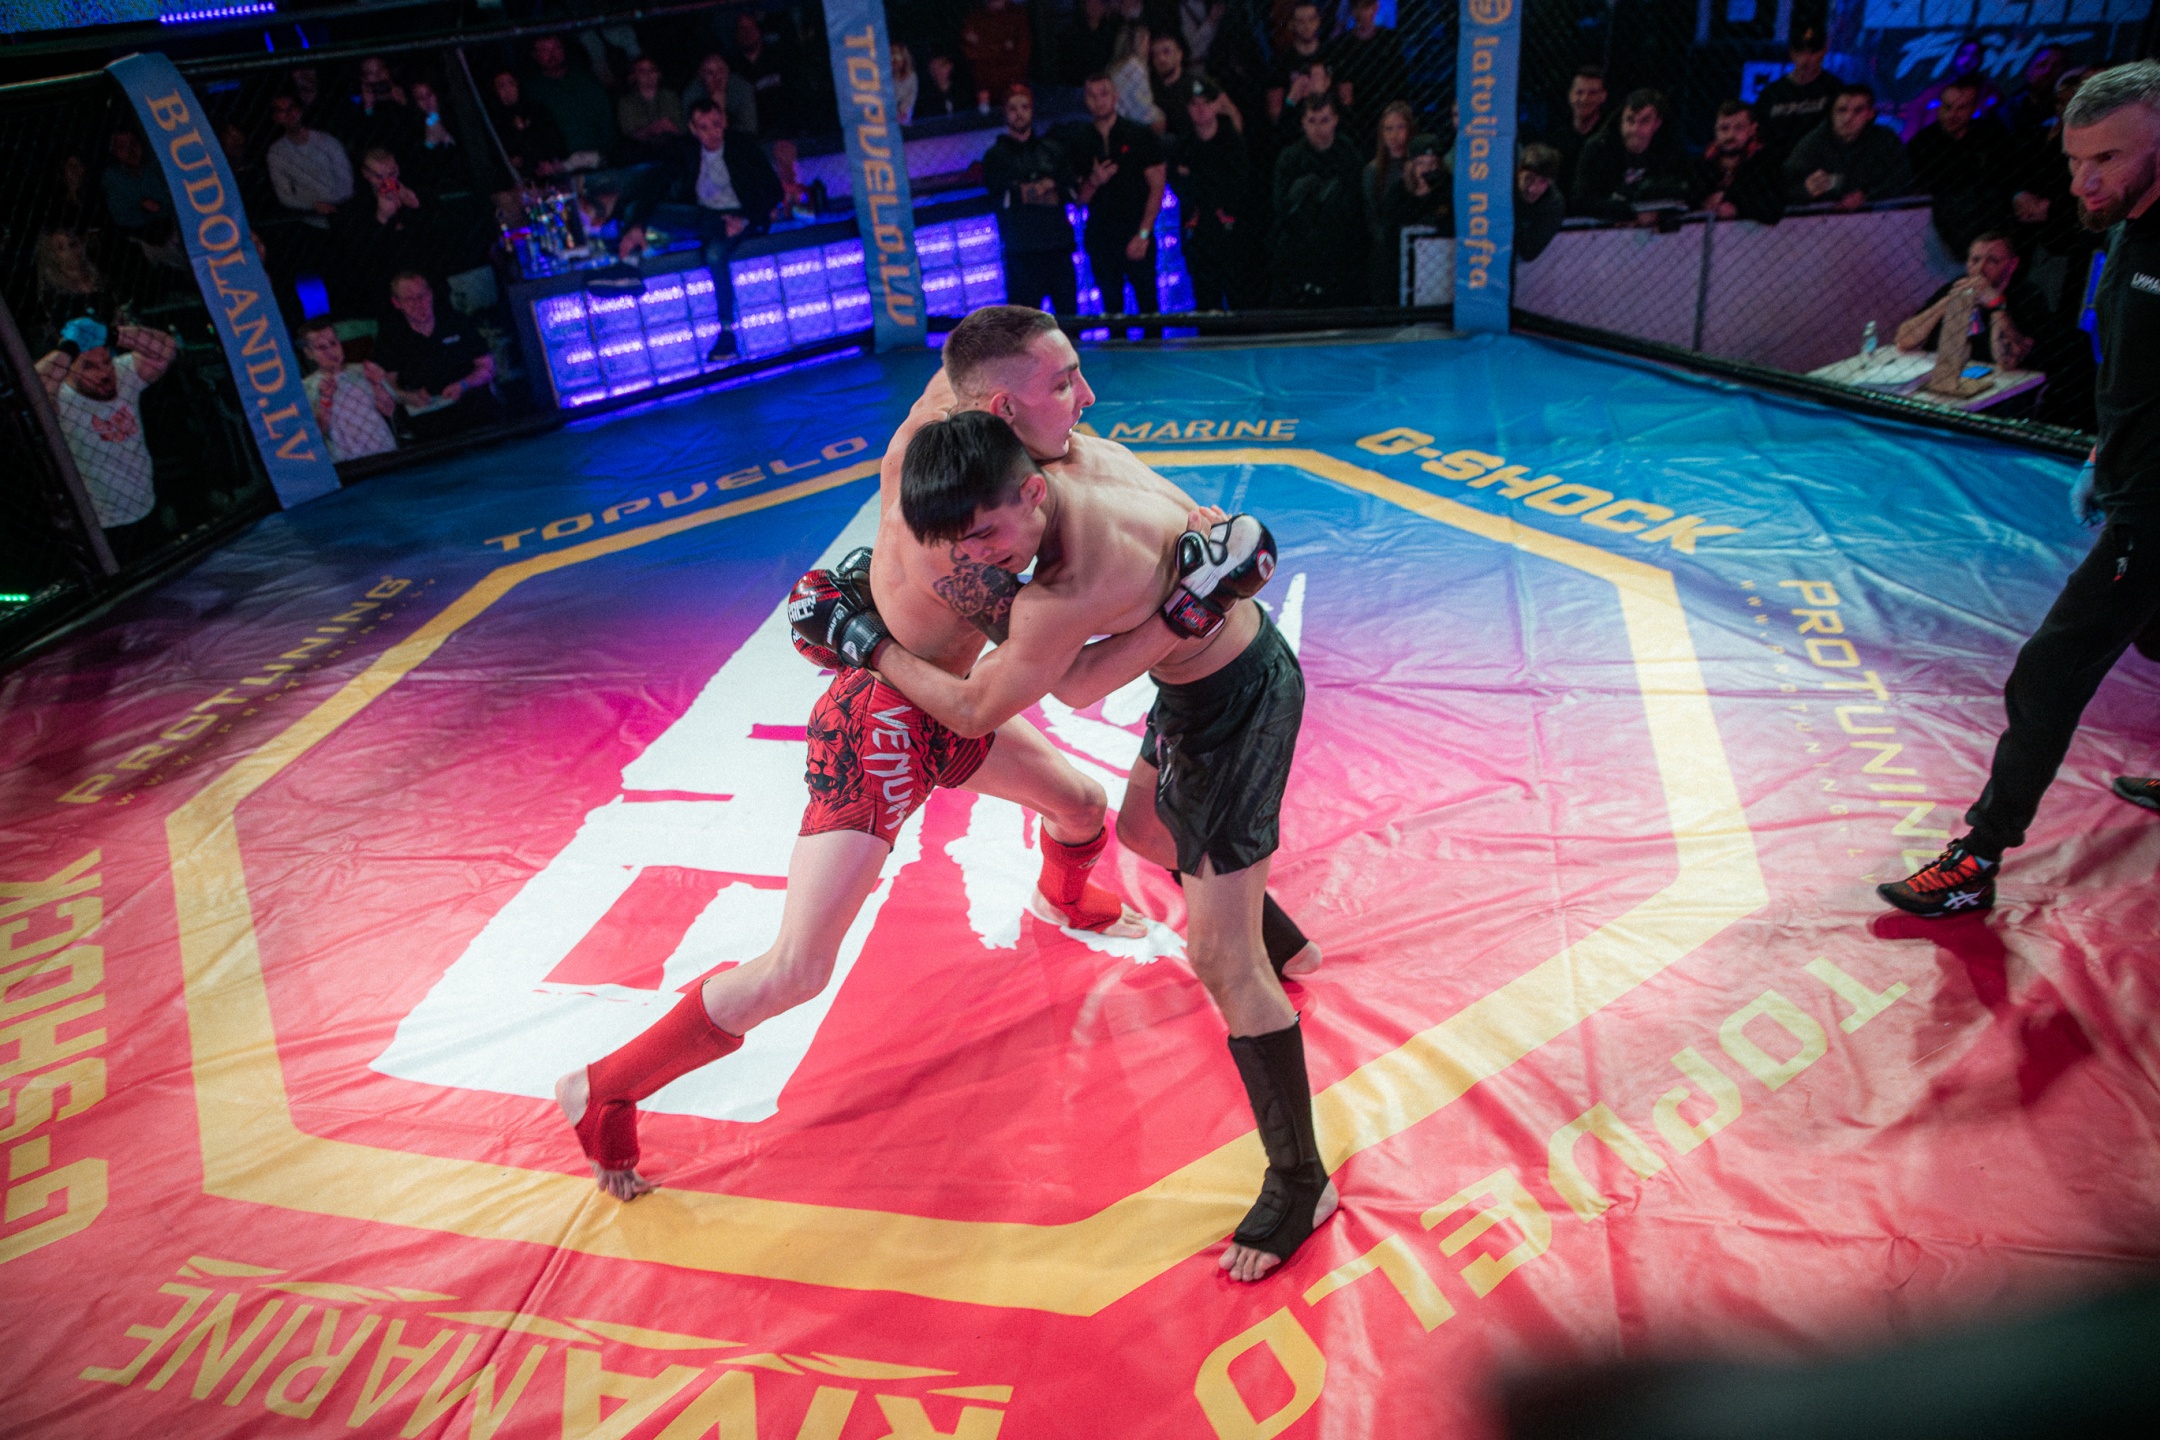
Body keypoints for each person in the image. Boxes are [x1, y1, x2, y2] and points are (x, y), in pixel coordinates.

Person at [555, 306, 1214, 1204]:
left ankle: (1060, 899)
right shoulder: (960, 537)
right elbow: (1035, 680)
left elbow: (1073, 445)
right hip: (884, 722)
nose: (1084, 398)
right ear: (1001, 408)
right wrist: (1184, 602)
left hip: (945, 694)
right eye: (1063, 384)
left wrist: (1181, 513)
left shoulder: (960, 409)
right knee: (798, 968)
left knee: (1081, 806)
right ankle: (605, 1087)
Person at [862, 407, 1333, 1285]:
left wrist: (868, 644)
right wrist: (1199, 588)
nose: (978, 558)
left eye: (987, 537)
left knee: (1219, 959)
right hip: (1202, 687)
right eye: (961, 542)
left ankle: (1303, 1182)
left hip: (1238, 708)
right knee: (1146, 831)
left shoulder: (1067, 584)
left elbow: (995, 704)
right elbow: (1184, 522)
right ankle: (1282, 939)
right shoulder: (1077, 458)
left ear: (1030, 494)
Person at [1879, 62, 2160, 918]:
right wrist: (2103, 455)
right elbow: (2137, 374)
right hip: (2132, 480)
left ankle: (1978, 856)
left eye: (2107, 158)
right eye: (2075, 160)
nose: (2083, 182)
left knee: (2050, 670)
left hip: (2154, 510)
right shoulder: (2128, 231)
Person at [631, 98, 782, 362]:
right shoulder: (687, 149)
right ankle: (628, 263)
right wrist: (637, 224)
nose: (712, 132)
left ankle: (727, 331)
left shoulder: (742, 145)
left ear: (724, 121)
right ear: (693, 129)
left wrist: (745, 219)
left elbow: (773, 191)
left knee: (714, 254)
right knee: (643, 209)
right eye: (704, 127)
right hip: (704, 216)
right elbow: (657, 183)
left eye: (716, 124)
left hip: (739, 215)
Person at [35, 319, 177, 564]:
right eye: (89, 366)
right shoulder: (61, 400)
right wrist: (67, 349)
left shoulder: (122, 374)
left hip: (146, 504)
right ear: (69, 369)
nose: (104, 373)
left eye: (106, 361)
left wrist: (114, 335)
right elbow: (30, 388)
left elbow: (165, 348)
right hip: (103, 525)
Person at [1058, 72, 1168, 324]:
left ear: (1115, 96)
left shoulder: (1140, 135)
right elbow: (1078, 199)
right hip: (1101, 238)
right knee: (1112, 312)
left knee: (1149, 310)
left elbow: (1157, 186)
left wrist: (1143, 234)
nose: (1099, 101)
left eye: (1104, 94)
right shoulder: (1079, 142)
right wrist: (1094, 181)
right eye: (1092, 96)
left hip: (1136, 230)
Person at [982, 86, 1078, 314]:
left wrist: (1026, 193)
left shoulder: (1053, 150)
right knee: (1024, 328)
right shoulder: (995, 157)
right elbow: (1005, 198)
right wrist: (1046, 187)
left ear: (1032, 110)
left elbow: (1070, 193)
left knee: (1070, 324)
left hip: (1058, 249)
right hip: (1021, 254)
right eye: (1013, 108)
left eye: (1024, 107)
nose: (1019, 113)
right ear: (1005, 113)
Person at [373, 272, 501, 442]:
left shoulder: (457, 322)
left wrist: (463, 384)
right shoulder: (391, 338)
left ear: (430, 294)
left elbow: (488, 367)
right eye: (410, 299)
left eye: (422, 295)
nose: (419, 304)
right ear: (397, 303)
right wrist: (408, 396)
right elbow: (387, 383)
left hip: (471, 405)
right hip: (427, 417)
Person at [1893, 231, 2045, 370]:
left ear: (2012, 264)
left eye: (1993, 261)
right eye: (1975, 260)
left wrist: (1996, 305)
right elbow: (1903, 340)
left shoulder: (2027, 296)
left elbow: (2007, 361)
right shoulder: (1956, 286)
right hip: (1946, 373)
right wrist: (1945, 303)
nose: (1980, 268)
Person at [1271, 93, 1367, 305]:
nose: (1318, 128)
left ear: (1335, 120)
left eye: (1324, 120)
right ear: (1302, 123)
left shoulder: (1349, 155)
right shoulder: (1290, 158)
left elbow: (1356, 209)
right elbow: (1281, 210)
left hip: (1339, 249)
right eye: (1312, 121)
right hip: (1299, 248)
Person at [1173, 77, 1257, 310]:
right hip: (1198, 234)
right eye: (1194, 103)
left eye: (1206, 102)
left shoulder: (1233, 142)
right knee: (1205, 299)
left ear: (1216, 105)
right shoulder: (1183, 144)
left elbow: (1237, 188)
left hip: (1231, 232)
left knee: (1239, 295)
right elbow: (1182, 188)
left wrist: (1196, 176)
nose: (1200, 109)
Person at [1909, 75, 2014, 259]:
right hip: (1944, 222)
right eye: (1948, 107)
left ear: (1974, 108)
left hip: (1992, 217)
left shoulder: (1991, 134)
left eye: (1962, 108)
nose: (1952, 115)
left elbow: (2008, 172)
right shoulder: (1922, 143)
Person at [1571, 89, 1694, 223]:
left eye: (1644, 121)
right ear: (1621, 120)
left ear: (1657, 123)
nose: (1635, 129)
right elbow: (1582, 201)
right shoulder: (1598, 148)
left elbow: (1688, 188)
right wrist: (1632, 214)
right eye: (1630, 120)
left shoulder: (1669, 147)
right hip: (1604, 228)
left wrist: (1659, 214)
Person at [1783, 84, 1912, 210]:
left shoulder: (1885, 140)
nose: (1847, 118)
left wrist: (1866, 195)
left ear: (1871, 114)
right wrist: (1805, 190)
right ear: (1831, 112)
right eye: (1842, 110)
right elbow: (1783, 186)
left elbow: (1902, 177)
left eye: (1858, 111)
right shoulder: (1812, 144)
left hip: (1877, 214)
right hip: (1820, 216)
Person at [297, 317, 398, 462]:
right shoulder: (306, 388)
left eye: (333, 343)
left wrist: (377, 385)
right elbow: (313, 436)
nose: (331, 351)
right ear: (309, 353)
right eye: (322, 347)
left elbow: (389, 410)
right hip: (349, 465)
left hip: (385, 454)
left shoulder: (364, 371)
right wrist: (325, 399)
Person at [266, 88, 354, 229]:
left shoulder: (326, 140)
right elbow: (285, 195)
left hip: (343, 212)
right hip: (309, 220)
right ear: (275, 117)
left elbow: (346, 181)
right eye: (282, 111)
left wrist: (332, 204)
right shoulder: (276, 153)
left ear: (300, 109)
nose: (289, 114)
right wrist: (313, 205)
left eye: (291, 107)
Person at [1377, 131, 1449, 301]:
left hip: (1438, 267)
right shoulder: (1398, 193)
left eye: (1432, 163)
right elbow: (1390, 230)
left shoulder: (1447, 190)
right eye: (1421, 163)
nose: (1427, 169)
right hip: (1403, 265)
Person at [526, 35, 616, 169]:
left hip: (598, 157)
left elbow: (606, 117)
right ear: (535, 55)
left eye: (556, 48)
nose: (552, 54)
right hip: (560, 164)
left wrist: (607, 152)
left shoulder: (585, 80)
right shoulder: (533, 90)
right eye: (545, 50)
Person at [1753, 27, 1841, 164]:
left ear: (1824, 51)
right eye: (1800, 52)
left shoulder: (1835, 90)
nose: (1806, 59)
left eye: (1813, 52)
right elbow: (1758, 134)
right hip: (1776, 165)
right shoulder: (1772, 93)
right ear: (1791, 52)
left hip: (1820, 164)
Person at [1324, 0, 1402, 148]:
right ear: (1352, 11)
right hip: (1355, 115)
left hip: (1385, 106)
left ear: (1375, 8)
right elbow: (1342, 88)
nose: (1362, 14)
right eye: (1358, 8)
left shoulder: (1389, 40)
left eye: (1366, 8)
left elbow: (1398, 80)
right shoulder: (1342, 45)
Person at [1697, 100, 1785, 225]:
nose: (1730, 135)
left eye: (1739, 128)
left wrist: (1737, 208)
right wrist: (1704, 202)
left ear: (1753, 129)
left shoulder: (1767, 161)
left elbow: (1772, 206)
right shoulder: (1703, 163)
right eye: (1724, 128)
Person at [1545, 65, 1610, 208]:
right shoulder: (1556, 139)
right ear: (1570, 95)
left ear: (1603, 97)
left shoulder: (1611, 138)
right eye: (1579, 92)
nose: (1584, 98)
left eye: (1592, 93)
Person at [487, 71, 567, 182]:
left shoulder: (536, 111)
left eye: (511, 83)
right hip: (519, 179)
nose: (508, 90)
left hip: (549, 171)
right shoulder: (495, 122)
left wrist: (550, 162)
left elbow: (552, 138)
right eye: (501, 86)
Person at [1265, 1, 1329, 126]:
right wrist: (1292, 98)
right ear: (1292, 24)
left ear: (1318, 21)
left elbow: (1345, 101)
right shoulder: (1280, 62)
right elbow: (1275, 116)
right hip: (1293, 128)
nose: (1307, 26)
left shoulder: (1331, 55)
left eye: (1311, 19)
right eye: (1301, 21)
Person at [616, 55, 687, 164]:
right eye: (642, 71)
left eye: (652, 70)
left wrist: (669, 127)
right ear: (634, 76)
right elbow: (629, 133)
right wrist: (651, 129)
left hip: (671, 146)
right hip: (641, 151)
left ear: (658, 73)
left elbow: (680, 127)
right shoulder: (627, 102)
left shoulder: (670, 97)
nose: (648, 75)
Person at [731, 11, 792, 135]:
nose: (747, 33)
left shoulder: (778, 57)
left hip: (784, 130)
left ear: (758, 30)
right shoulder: (731, 66)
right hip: (749, 134)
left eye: (750, 28)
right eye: (742, 29)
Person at [963, 0, 1033, 107]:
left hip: (1014, 87)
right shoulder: (974, 17)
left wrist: (982, 43)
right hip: (984, 88)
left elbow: (1022, 55)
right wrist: (1004, 47)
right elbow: (970, 52)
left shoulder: (1017, 15)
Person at [684, 51, 759, 137]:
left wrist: (722, 111)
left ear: (728, 72)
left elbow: (749, 131)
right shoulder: (692, 94)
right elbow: (692, 135)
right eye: (710, 73)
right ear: (701, 76)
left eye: (721, 71)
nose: (717, 77)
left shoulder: (742, 88)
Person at [1515, 142, 1567, 262]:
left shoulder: (1553, 204)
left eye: (1543, 181)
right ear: (1518, 173)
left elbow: (1528, 251)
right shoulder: (1501, 190)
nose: (1533, 189)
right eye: (1529, 178)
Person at [889, 42, 920, 124]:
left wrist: (903, 111)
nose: (894, 60)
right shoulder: (884, 79)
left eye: (898, 56)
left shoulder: (911, 77)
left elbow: (910, 99)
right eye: (891, 56)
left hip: (903, 120)